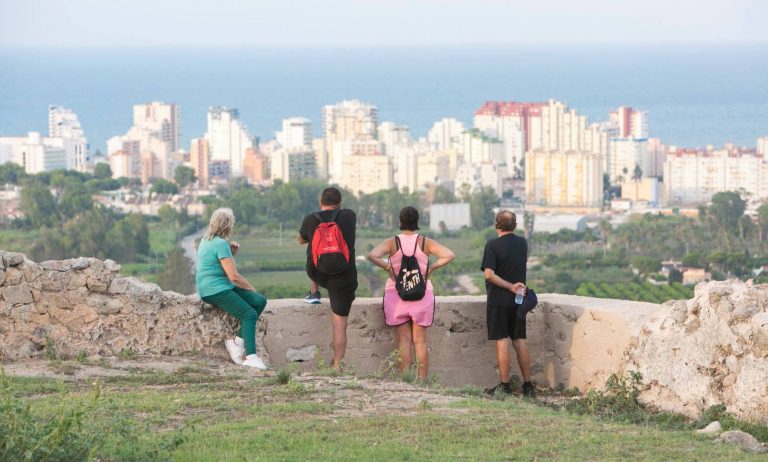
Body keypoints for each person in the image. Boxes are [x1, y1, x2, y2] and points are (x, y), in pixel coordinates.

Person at [367, 206, 454, 381]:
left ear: (400, 221)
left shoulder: (393, 242)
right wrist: (432, 268)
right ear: (417, 221)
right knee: (420, 342)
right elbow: (449, 255)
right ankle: (421, 382)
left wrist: (388, 267)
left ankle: (406, 381)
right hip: (422, 294)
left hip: (396, 295)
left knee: (403, 341)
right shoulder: (425, 242)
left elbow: (372, 255)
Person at [196, 208, 268, 370]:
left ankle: (237, 342)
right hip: (215, 290)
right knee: (249, 314)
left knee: (259, 301)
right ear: (228, 226)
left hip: (217, 286)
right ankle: (251, 357)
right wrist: (251, 288)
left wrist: (231, 254)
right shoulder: (221, 244)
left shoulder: (206, 240)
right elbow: (233, 277)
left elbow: (220, 266)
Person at [298, 187, 357, 369]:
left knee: (312, 250)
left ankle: (314, 292)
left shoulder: (310, 219)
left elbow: (301, 240)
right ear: (339, 203)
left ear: (320, 202)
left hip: (318, 273)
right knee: (339, 326)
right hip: (344, 277)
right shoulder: (349, 216)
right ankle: (337, 365)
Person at [480, 210, 534, 397]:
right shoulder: (522, 243)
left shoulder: (492, 245)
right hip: (519, 300)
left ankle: (504, 386)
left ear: (496, 225)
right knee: (519, 341)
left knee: (502, 341)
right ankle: (528, 386)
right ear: (515, 226)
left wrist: (510, 286)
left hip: (499, 300)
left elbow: (489, 275)